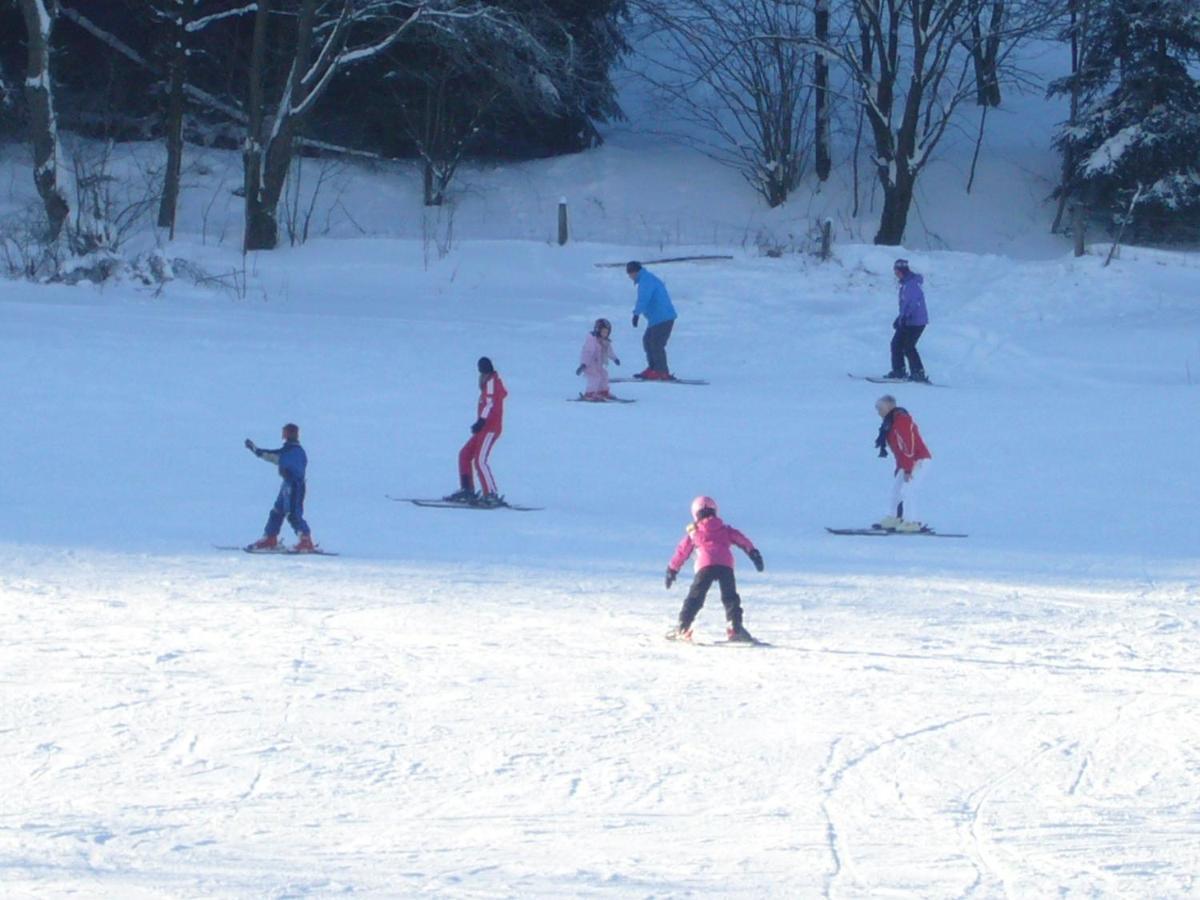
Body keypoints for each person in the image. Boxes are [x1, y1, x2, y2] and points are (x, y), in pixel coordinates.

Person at [665, 495, 764, 643]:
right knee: (730, 598)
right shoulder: (725, 530)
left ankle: (682, 627)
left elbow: (682, 551)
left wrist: (672, 570)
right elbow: (742, 540)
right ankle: (735, 628)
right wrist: (754, 553)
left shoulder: (694, 533)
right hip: (725, 565)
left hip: (705, 565)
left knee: (695, 598)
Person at [445, 356, 507, 507]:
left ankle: (491, 494)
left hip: (490, 429)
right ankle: (467, 489)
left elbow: (490, 404)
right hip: (483, 429)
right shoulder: (488, 382)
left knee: (480, 460)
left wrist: (481, 422)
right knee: (465, 454)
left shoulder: (492, 383)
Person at [245, 423, 315, 552]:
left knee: (293, 513)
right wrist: (255, 450)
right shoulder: (287, 450)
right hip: (287, 484)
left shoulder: (295, 451)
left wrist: (290, 473)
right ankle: (270, 538)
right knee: (277, 511)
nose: (285, 434)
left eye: (286, 432)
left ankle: (305, 540)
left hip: (295, 485)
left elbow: (292, 465)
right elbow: (272, 456)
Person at [874, 395, 932, 532]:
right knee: (895, 489)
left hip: (918, 459)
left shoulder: (901, 420)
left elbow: (907, 446)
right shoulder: (890, 423)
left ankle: (911, 521)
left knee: (908, 490)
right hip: (906, 462)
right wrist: (901, 467)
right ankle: (894, 518)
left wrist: (907, 469)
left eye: (880, 408)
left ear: (889, 407)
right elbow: (898, 449)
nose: (878, 412)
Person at [627, 261, 678, 380]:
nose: (629, 277)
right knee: (648, 341)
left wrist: (636, 314)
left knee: (656, 344)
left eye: (630, 274)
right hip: (656, 319)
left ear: (634, 272)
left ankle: (662, 371)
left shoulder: (646, 281)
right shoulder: (646, 279)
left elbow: (643, 299)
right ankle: (653, 368)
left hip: (663, 317)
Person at [885, 258, 929, 383]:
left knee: (908, 346)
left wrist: (904, 317)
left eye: (896, 270)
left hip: (916, 322)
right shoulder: (906, 283)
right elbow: (906, 304)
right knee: (896, 344)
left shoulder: (911, 284)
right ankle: (899, 370)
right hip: (908, 320)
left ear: (902, 271)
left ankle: (918, 373)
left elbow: (914, 304)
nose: (895, 273)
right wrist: (900, 318)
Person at [575, 317, 621, 400]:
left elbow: (609, 351)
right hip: (589, 365)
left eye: (607, 332)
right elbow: (587, 353)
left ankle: (602, 391)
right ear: (598, 330)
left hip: (598, 364)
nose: (605, 334)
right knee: (595, 377)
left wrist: (615, 359)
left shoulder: (605, 342)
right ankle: (590, 393)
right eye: (603, 332)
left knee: (604, 375)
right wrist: (583, 364)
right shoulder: (592, 341)